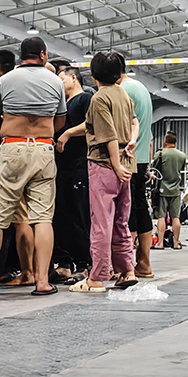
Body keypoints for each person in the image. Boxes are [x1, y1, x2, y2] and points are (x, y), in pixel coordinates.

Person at [0, 37, 66, 296]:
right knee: (42, 219)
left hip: (11, 147)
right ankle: (42, 282)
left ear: (21, 56)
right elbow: (59, 121)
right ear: (43, 54)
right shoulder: (55, 82)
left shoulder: (4, 81)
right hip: (42, 149)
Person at [71, 52, 138, 293]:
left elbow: (107, 134)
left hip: (105, 165)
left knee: (101, 222)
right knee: (121, 221)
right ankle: (126, 270)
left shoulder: (99, 98)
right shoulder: (123, 95)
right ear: (120, 75)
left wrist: (114, 164)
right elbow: (133, 122)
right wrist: (132, 142)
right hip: (127, 164)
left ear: (93, 74)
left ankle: (96, 277)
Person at [52, 60, 93, 280]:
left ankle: (84, 264)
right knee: (62, 215)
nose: (59, 83)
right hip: (62, 168)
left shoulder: (85, 99)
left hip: (79, 166)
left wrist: (67, 134)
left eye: (62, 79)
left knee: (79, 215)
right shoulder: (64, 104)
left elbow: (92, 123)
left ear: (73, 77)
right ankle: (64, 262)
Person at [116, 56, 154, 279]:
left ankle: (126, 267)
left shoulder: (123, 91)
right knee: (140, 210)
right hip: (141, 161)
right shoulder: (141, 87)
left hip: (127, 159)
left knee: (126, 211)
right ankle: (144, 264)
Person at [151, 132, 186, 250]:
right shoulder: (182, 155)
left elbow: (154, 168)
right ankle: (176, 243)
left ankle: (160, 243)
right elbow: (181, 169)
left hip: (162, 189)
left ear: (165, 141)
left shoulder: (161, 154)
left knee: (161, 216)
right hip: (176, 189)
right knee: (175, 217)